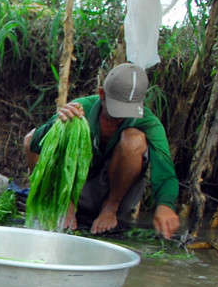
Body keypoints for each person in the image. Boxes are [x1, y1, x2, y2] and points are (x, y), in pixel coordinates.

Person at [23, 62, 181, 240]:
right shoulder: (82, 107)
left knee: (134, 139)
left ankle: (109, 209)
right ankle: (65, 205)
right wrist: (58, 123)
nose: (120, 117)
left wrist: (165, 205)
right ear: (102, 94)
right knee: (30, 138)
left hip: (115, 193)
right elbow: (34, 145)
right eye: (116, 109)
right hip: (74, 188)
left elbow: (165, 171)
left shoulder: (149, 122)